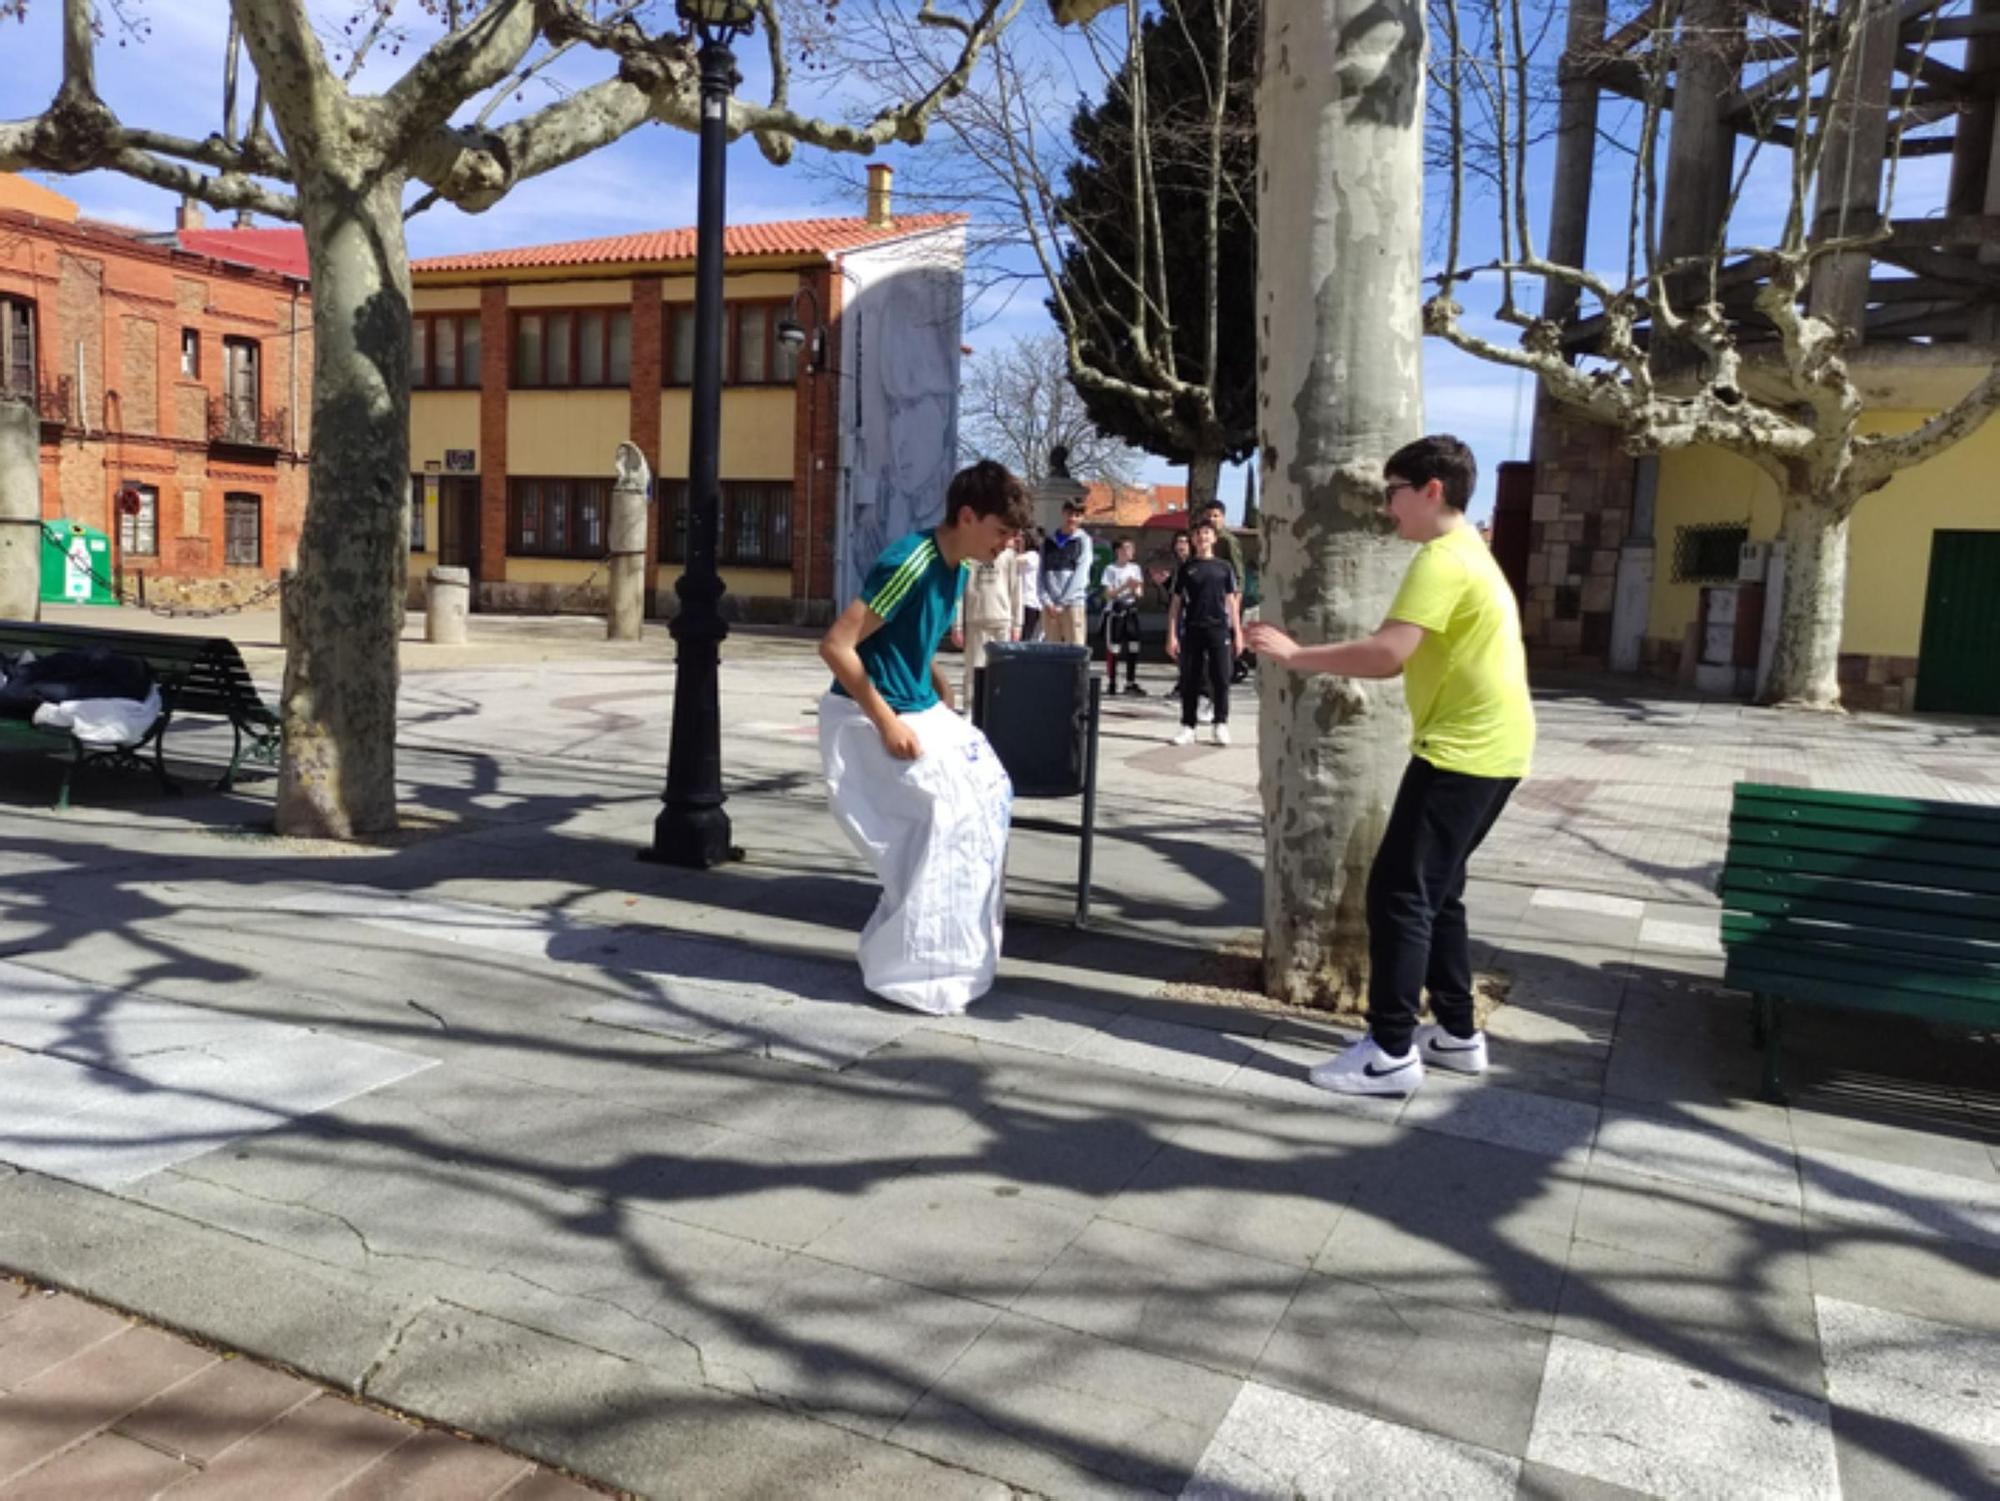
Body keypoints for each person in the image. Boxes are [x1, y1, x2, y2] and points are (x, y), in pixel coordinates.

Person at [1247, 435, 1534, 1097]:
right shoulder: (1471, 553)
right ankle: (1457, 1034)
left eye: (1394, 492)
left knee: (1399, 893)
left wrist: (1295, 654)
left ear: (1432, 489)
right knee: (1439, 893)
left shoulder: (1443, 559)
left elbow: (1387, 655)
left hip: (1465, 752)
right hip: (1492, 748)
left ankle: (1390, 1050)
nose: (1387, 507)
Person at [818, 460, 1033, 1014]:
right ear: (967, 516)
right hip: (867, 714)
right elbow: (837, 646)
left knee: (990, 792)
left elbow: (917, 639)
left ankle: (956, 959)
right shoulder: (908, 563)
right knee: (944, 816)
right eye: (1001, 533)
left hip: (917, 705)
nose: (1007, 546)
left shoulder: (959, 566)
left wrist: (938, 691)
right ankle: (912, 967)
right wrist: (888, 723)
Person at [1166, 520, 1242, 747]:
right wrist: (1171, 634)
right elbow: (1175, 604)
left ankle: (1221, 723)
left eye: (1207, 533)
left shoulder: (1224, 567)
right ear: (1193, 539)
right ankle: (1188, 726)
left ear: (1214, 538)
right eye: (1198, 534)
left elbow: (1232, 602)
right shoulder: (1186, 569)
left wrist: (1238, 632)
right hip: (1192, 628)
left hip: (1219, 628)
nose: (1202, 537)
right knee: (1190, 679)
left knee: (1221, 677)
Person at [952, 523, 1025, 711]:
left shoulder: (1009, 556)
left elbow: (1016, 590)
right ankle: (970, 708)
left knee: (1001, 669)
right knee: (973, 668)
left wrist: (1017, 624)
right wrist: (957, 625)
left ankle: (999, 706)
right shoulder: (969, 557)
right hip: (976, 618)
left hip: (1002, 619)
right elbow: (959, 593)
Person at [1039, 502, 1092, 644]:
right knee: (1050, 652)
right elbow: (1041, 573)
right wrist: (1046, 600)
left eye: (1077, 515)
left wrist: (1063, 602)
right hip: (1050, 606)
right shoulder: (1048, 542)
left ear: (1082, 518)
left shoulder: (1083, 541)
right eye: (1070, 514)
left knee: (1075, 651)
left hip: (1072, 604)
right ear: (1063, 514)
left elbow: (1081, 575)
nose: (1072, 519)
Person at [1099, 538, 1146, 695]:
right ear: (1118, 551)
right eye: (1126, 549)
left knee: (1134, 645)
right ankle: (1112, 681)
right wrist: (1124, 586)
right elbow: (1108, 594)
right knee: (1114, 647)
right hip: (1116, 611)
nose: (1129, 552)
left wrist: (1135, 589)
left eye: (1131, 549)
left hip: (1131, 610)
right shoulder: (1110, 569)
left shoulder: (1135, 568)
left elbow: (1140, 593)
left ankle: (1130, 681)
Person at [1015, 530, 1043, 642]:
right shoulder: (1022, 555)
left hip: (1029, 601)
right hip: (1020, 601)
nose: (1018, 540)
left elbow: (1015, 561)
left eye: (1021, 537)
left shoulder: (1032, 556)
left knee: (1025, 636)